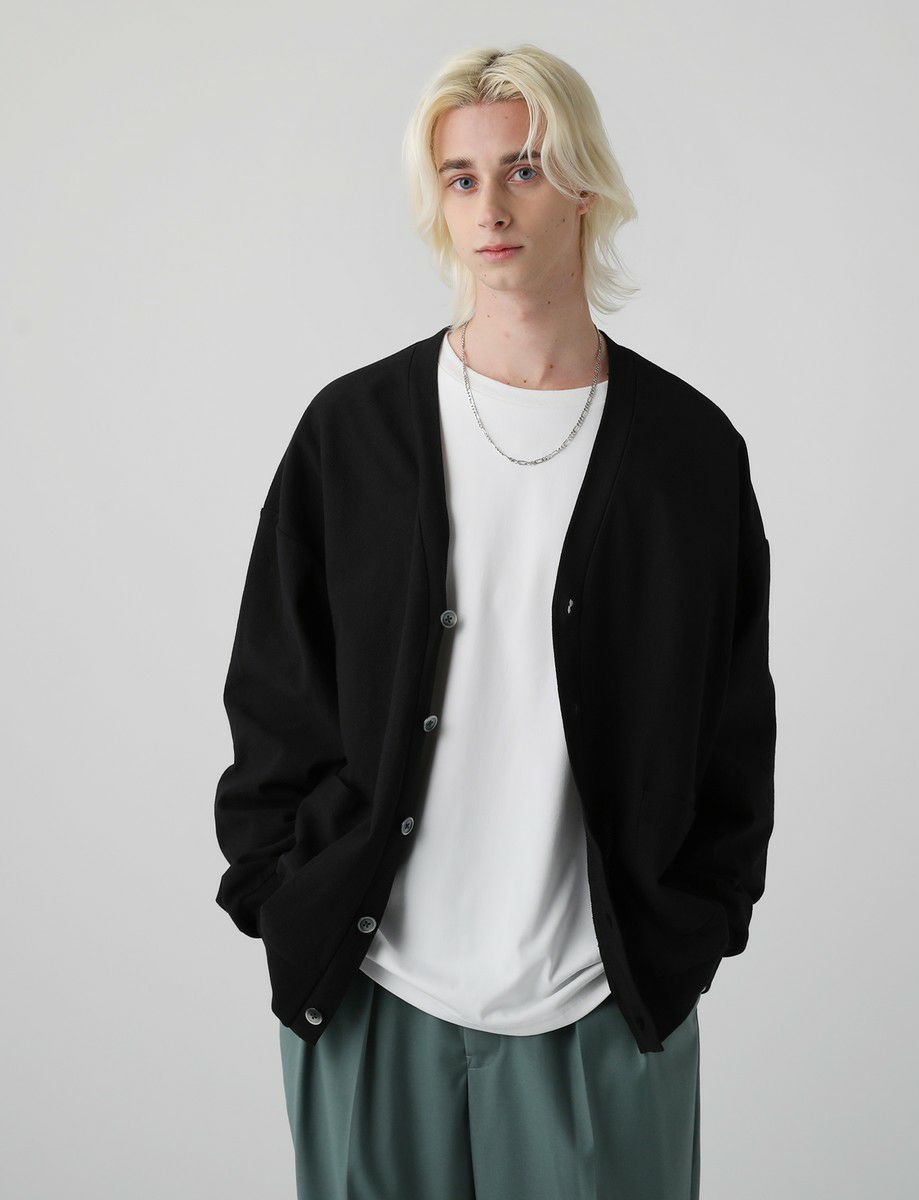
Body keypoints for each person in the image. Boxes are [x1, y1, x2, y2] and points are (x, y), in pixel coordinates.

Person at [213, 42, 776, 1200]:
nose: (491, 207)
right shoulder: (352, 435)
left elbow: (732, 727)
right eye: (460, 178)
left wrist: (691, 925)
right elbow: (276, 686)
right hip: (373, 993)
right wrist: (284, 893)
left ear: (584, 185)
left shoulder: (686, 454)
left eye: (522, 169)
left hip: (600, 1003)